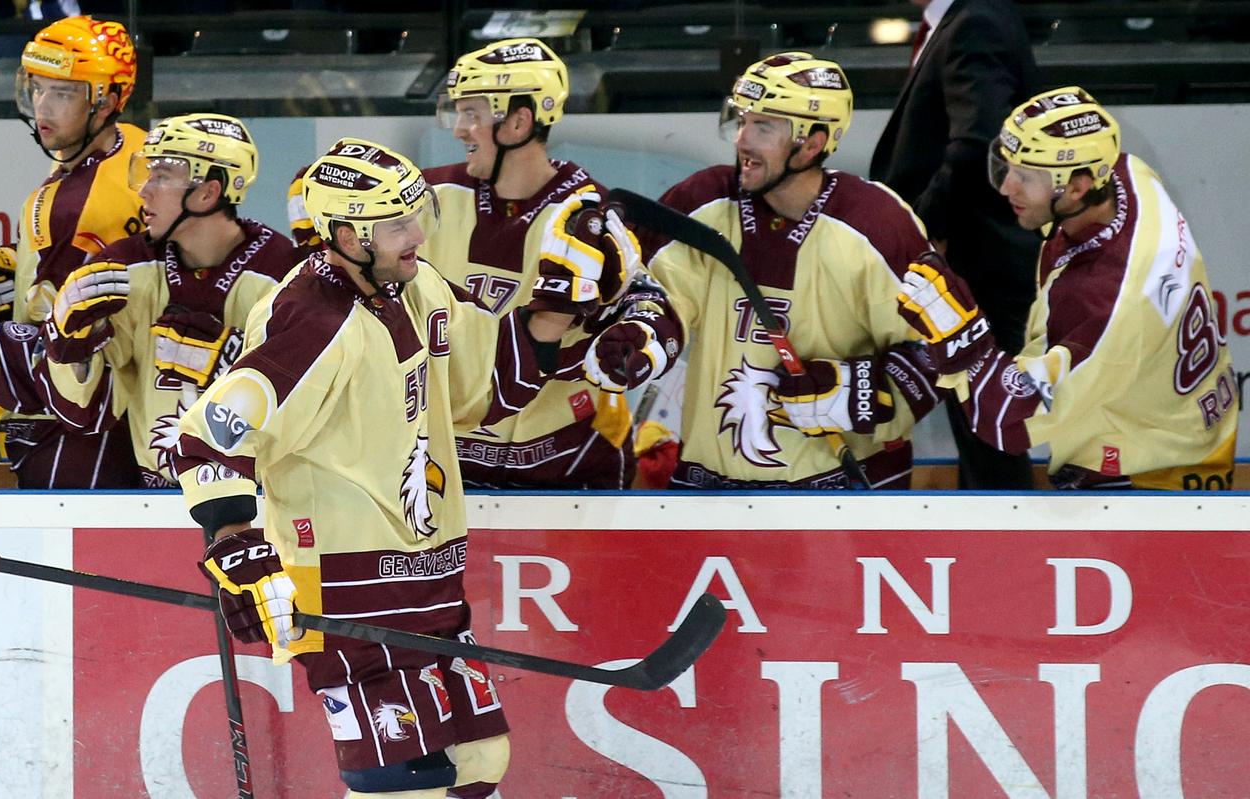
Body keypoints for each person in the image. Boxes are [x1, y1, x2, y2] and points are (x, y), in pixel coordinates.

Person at [176, 139, 636, 797]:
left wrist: (559, 310)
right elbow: (206, 439)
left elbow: (485, 381)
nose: (416, 234)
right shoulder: (310, 316)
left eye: (413, 216)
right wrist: (236, 544)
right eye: (396, 224)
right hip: (346, 581)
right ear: (343, 234)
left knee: (480, 759)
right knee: (404, 782)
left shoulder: (416, 282)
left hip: (428, 577)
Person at [896, 87, 1237, 489]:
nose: (1007, 188)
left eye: (1027, 176)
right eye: (1006, 167)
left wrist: (958, 336)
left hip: (1146, 480)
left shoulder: (1104, 303)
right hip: (1182, 426)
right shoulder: (1130, 176)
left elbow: (1009, 421)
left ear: (1077, 188)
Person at [642, 53, 940, 490]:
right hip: (708, 487)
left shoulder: (878, 224)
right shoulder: (703, 202)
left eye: (764, 127)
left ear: (813, 143)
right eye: (743, 121)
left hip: (837, 491)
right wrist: (635, 333)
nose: (743, 139)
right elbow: (647, 296)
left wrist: (856, 391)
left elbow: (942, 352)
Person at [413, 36, 684, 489]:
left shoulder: (587, 212)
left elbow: (648, 304)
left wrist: (638, 338)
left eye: (472, 114)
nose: (458, 129)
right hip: (446, 463)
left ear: (518, 122)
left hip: (568, 465)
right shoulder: (429, 199)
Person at [38, 113, 297, 488]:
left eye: (161, 177)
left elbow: (318, 405)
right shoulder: (123, 267)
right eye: (146, 172)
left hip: (259, 503)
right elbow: (88, 414)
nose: (143, 190)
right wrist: (71, 351)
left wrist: (232, 365)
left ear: (207, 192)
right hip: (153, 501)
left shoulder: (285, 274)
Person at [868, 0, 1040, 489]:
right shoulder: (969, 17)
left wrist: (918, 232)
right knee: (983, 433)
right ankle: (990, 551)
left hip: (975, 263)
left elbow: (978, 140)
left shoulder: (978, 20)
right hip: (977, 257)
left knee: (989, 436)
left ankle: (1005, 556)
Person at [0, 16, 143, 488]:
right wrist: (17, 274)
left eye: (64, 93)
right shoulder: (131, 146)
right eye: (38, 88)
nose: (43, 106)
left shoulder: (77, 209)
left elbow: (57, 346)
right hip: (125, 413)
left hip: (71, 426)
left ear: (106, 100)